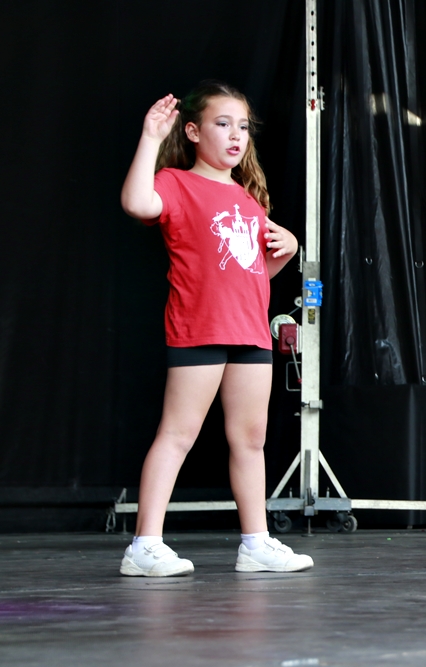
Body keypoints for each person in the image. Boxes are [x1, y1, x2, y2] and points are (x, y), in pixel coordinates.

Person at [119, 82, 313, 576]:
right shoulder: (175, 182)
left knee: (251, 439)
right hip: (199, 327)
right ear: (192, 131)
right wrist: (150, 137)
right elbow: (137, 203)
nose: (235, 135)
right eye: (222, 124)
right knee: (177, 434)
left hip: (249, 332)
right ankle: (144, 545)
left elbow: (250, 274)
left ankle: (256, 542)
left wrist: (288, 250)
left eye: (242, 126)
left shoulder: (248, 199)